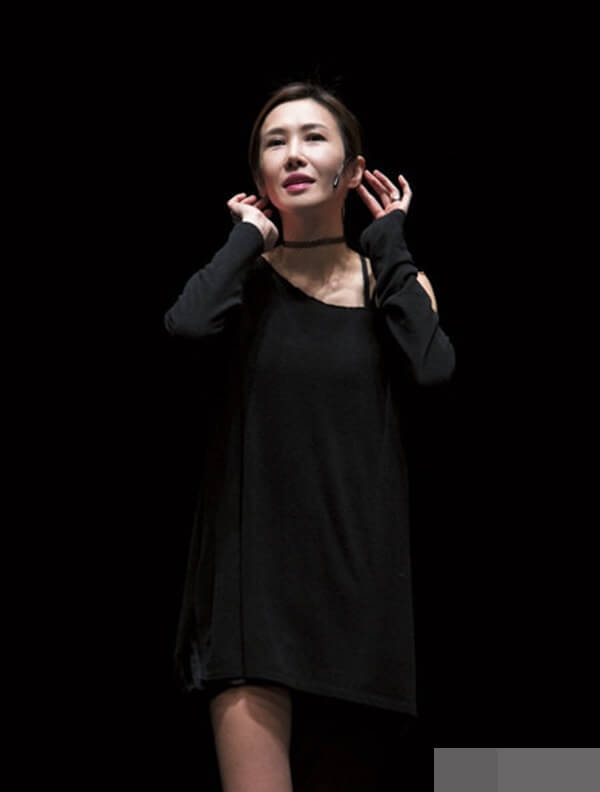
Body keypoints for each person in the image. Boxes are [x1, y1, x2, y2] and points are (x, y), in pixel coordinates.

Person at [163, 80, 456, 791]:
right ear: (259, 176)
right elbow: (187, 325)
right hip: (252, 589)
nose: (293, 153)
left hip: (359, 585)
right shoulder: (243, 280)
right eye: (275, 142)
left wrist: (390, 242)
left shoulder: (392, 282)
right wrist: (246, 237)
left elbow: (433, 368)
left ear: (353, 171)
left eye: (313, 137)